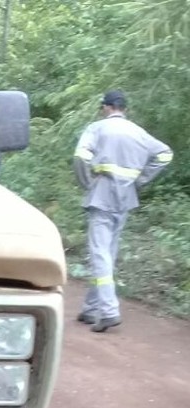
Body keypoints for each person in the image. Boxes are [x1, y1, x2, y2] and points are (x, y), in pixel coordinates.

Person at [73, 90, 172, 332]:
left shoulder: (98, 128)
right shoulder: (139, 132)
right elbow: (165, 154)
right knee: (108, 253)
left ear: (106, 107)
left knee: (99, 253)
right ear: (123, 108)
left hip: (103, 194)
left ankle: (108, 311)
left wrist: (87, 183)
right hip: (125, 197)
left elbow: (80, 156)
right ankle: (90, 308)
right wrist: (141, 179)